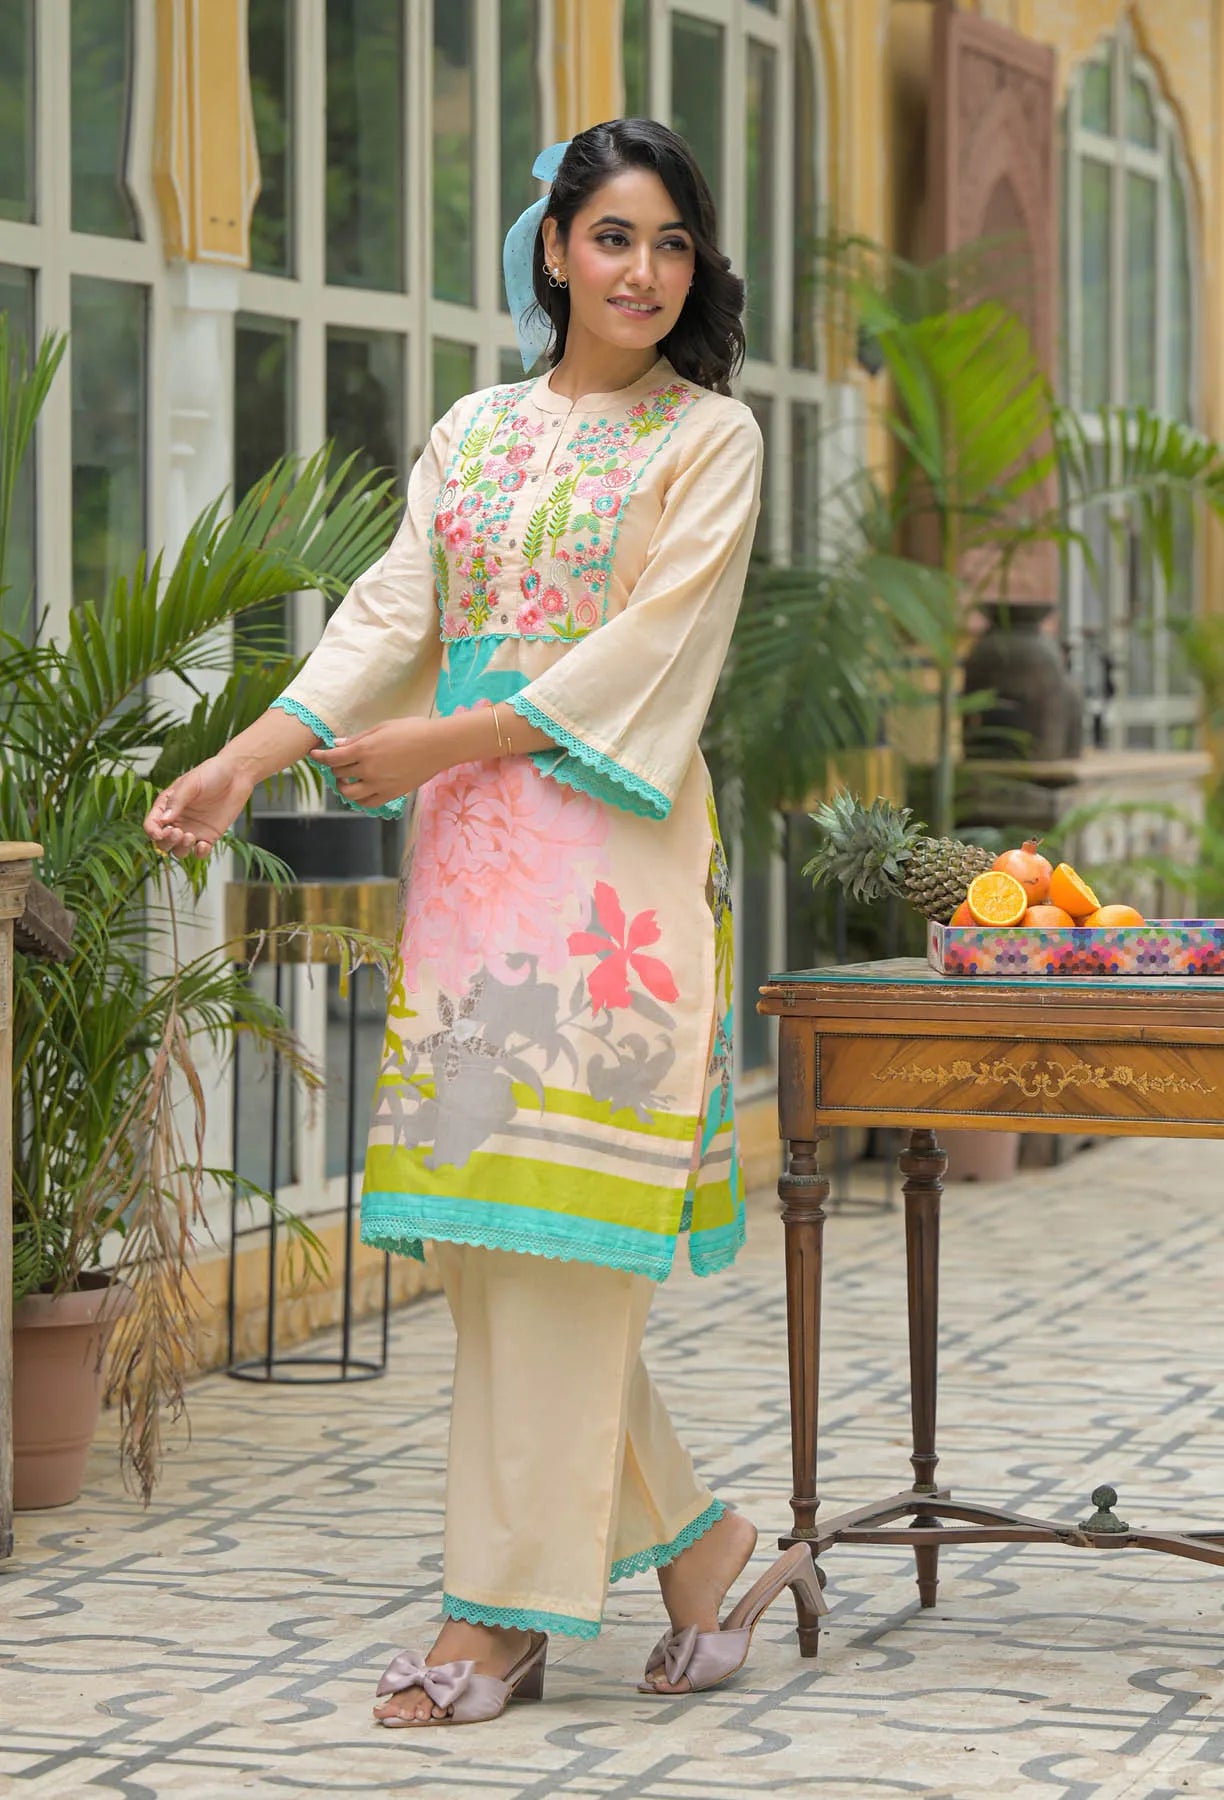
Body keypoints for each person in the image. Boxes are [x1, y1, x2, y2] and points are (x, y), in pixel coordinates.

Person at [145, 118, 822, 1728]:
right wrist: (247, 758)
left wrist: (445, 740)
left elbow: (653, 653)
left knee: (564, 1242)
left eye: (672, 243)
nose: (643, 271)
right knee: (491, 1240)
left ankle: (499, 1616)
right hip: (470, 879)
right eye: (613, 237)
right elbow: (391, 613)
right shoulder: (476, 430)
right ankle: (715, 1556)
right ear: (554, 250)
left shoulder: (709, 441)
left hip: (612, 883)